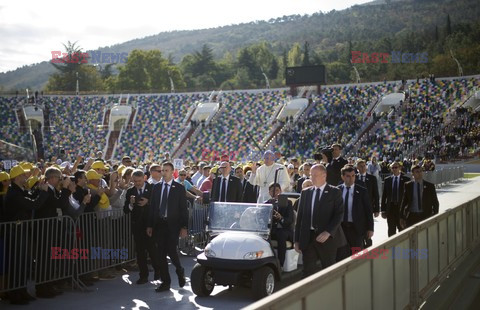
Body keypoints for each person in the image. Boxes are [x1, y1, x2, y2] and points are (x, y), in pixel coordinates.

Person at [294, 164, 346, 278]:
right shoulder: (306, 193)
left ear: (324, 175)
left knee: (328, 271)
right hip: (308, 238)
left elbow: (339, 215)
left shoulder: (334, 192)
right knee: (308, 271)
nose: (311, 178)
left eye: (315, 175)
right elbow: (300, 218)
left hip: (327, 239)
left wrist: (328, 232)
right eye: (311, 175)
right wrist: (296, 240)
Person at [146, 162, 188, 292]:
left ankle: (179, 270)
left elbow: (183, 209)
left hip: (173, 225)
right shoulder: (156, 187)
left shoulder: (179, 188)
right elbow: (152, 207)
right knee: (160, 254)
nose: (163, 173)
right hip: (159, 224)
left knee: (172, 251)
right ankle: (166, 282)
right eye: (162, 170)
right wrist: (150, 225)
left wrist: (184, 227)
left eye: (166, 170)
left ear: (172, 172)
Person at [124, 169, 160, 284]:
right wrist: (131, 204)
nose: (137, 183)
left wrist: (148, 202)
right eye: (135, 181)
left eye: (139, 181)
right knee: (140, 251)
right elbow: (125, 210)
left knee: (152, 249)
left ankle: (158, 270)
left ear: (144, 178)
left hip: (150, 225)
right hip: (137, 226)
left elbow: (159, 205)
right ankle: (143, 275)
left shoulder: (153, 188)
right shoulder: (130, 191)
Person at [337, 165, 374, 258]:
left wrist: (370, 228)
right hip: (341, 228)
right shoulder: (337, 190)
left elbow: (368, 210)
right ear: (342, 177)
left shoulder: (361, 191)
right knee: (342, 254)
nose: (351, 178)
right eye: (348, 176)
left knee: (356, 254)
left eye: (353, 176)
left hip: (356, 228)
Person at [265, 183, 293, 268]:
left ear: (280, 191)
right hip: (272, 230)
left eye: (277, 190)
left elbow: (289, 220)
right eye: (272, 191)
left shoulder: (287, 202)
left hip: (284, 229)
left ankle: (280, 264)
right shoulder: (267, 203)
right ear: (269, 192)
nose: (275, 193)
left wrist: (281, 218)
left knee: (281, 236)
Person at [381, 162, 410, 236]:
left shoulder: (406, 179)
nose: (394, 169)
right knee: (391, 231)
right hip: (390, 209)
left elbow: (409, 197)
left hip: (401, 209)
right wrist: (383, 210)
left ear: (400, 168)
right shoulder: (387, 180)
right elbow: (384, 196)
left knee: (402, 229)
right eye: (392, 168)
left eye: (396, 167)